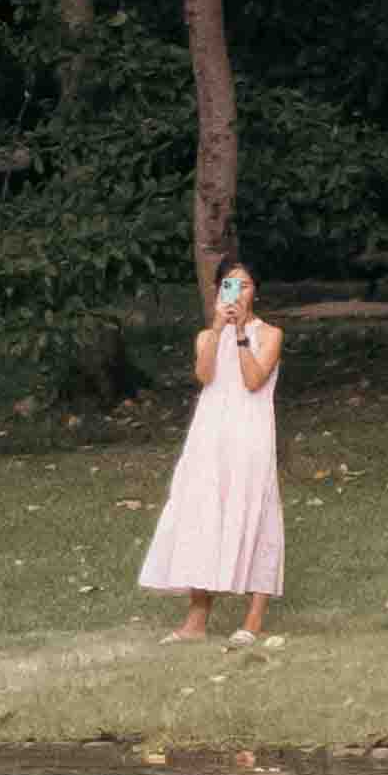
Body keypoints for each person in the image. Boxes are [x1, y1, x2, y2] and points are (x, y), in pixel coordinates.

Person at [136, 265, 287, 643]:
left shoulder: (270, 334)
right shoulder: (207, 335)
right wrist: (220, 329)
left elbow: (254, 381)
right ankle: (196, 620)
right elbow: (204, 376)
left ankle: (253, 620)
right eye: (229, 285)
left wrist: (239, 335)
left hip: (249, 433)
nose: (237, 292)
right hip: (209, 434)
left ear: (255, 291)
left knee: (255, 509)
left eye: (245, 285)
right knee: (202, 511)